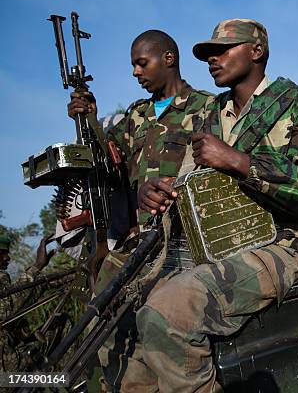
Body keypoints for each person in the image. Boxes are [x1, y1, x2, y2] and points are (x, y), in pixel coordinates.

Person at [135, 18, 298, 392]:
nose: (212, 60)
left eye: (222, 50)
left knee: (169, 312)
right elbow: (190, 182)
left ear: (256, 51)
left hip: (283, 246)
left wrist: (239, 162)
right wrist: (157, 191)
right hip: (217, 247)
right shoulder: (211, 114)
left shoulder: (296, 105)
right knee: (137, 363)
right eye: (208, 54)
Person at [67, 29, 214, 391]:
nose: (135, 72)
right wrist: (88, 121)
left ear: (168, 59)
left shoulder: (207, 107)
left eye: (141, 63)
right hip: (140, 244)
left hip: (183, 241)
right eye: (133, 64)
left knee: (167, 329)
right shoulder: (137, 114)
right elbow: (107, 165)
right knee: (110, 327)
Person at [0, 234, 55, 372]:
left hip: (10, 359)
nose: (7, 258)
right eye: (2, 253)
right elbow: (8, 308)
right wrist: (37, 266)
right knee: (61, 324)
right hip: (7, 374)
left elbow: (26, 296)